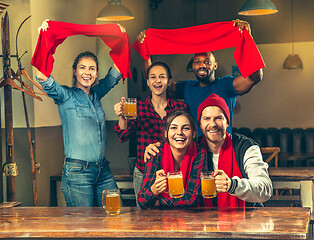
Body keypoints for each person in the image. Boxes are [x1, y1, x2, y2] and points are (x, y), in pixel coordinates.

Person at [137, 19, 263, 136]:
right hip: (195, 152)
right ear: (193, 66)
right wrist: (144, 51)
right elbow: (156, 83)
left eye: (207, 61)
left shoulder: (227, 85)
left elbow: (255, 77)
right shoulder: (188, 87)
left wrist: (247, 40)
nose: (202, 65)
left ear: (215, 66)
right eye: (197, 62)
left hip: (221, 149)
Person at [36, 48, 123, 205]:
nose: (87, 72)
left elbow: (116, 72)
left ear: (96, 73)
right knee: (83, 226)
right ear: (74, 71)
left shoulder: (97, 93)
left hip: (102, 170)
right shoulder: (65, 95)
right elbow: (42, 76)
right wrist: (45, 38)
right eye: (82, 67)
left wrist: (121, 38)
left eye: (92, 69)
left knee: (117, 217)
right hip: (77, 173)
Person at [113, 62, 187, 206]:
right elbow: (123, 136)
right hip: (143, 171)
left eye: (162, 77)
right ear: (148, 82)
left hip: (172, 172)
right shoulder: (137, 107)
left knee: (174, 214)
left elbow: (187, 139)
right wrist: (122, 116)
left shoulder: (180, 107)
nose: (157, 80)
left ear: (169, 81)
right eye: (153, 77)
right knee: (143, 216)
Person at [197, 94, 272, 207]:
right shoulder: (193, 147)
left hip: (247, 218)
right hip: (203, 220)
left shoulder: (245, 146)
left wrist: (233, 185)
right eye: (206, 118)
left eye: (218, 118)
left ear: (227, 122)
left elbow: (265, 189)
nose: (212, 124)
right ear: (200, 124)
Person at [137, 110, 209, 209]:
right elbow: (141, 201)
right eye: (174, 128)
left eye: (186, 128)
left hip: (191, 218)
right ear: (166, 133)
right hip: (159, 219)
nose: (179, 132)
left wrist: (157, 203)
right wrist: (154, 189)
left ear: (193, 133)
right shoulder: (156, 152)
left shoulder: (199, 152)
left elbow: (191, 199)